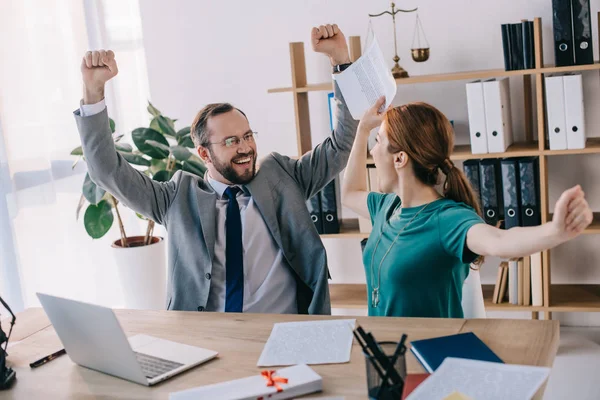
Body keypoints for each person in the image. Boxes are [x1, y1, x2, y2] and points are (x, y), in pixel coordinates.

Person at [74, 24, 358, 314]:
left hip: (285, 329)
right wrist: (93, 93)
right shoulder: (176, 198)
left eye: (248, 136)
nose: (245, 148)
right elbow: (107, 171)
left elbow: (341, 144)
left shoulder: (284, 178)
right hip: (209, 339)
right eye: (231, 141)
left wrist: (340, 60)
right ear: (203, 153)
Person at [342, 97, 593, 318]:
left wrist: (556, 231)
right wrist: (363, 129)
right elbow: (349, 193)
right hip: (383, 351)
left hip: (427, 356)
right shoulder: (386, 207)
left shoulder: (447, 220)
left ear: (399, 158)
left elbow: (499, 240)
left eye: (377, 142)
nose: (372, 152)